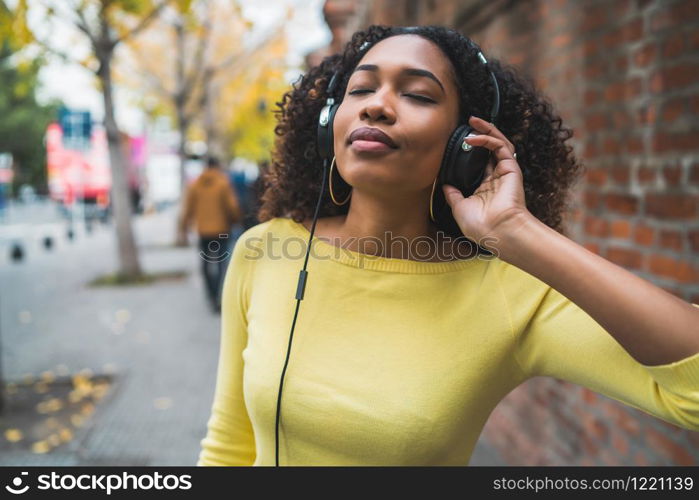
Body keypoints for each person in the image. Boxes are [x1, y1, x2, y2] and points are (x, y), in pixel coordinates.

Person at [197, 25, 699, 466]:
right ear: (332, 121)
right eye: (361, 88)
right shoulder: (264, 250)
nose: (376, 104)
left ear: (464, 142)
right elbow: (227, 444)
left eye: (417, 94)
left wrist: (520, 233)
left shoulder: (510, 293)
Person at [180, 156, 243, 313]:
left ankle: (211, 294)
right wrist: (236, 220)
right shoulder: (223, 183)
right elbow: (232, 206)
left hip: (203, 232)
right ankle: (220, 295)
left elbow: (188, 208)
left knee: (206, 264)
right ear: (217, 166)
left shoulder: (195, 185)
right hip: (222, 231)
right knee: (222, 263)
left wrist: (184, 226)